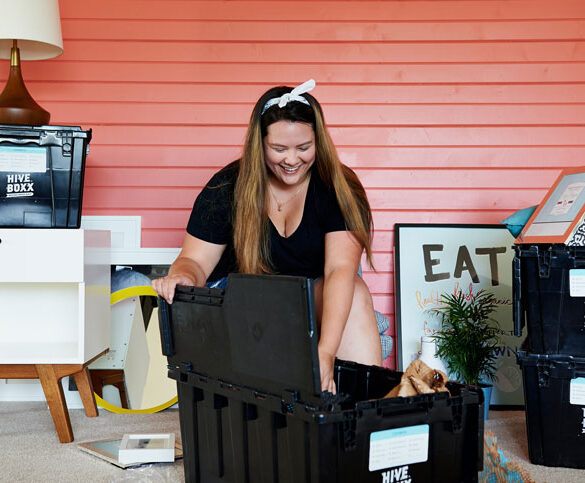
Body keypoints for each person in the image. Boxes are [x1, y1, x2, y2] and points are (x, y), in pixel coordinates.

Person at [152, 79, 382, 393]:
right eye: (278, 149)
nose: (291, 160)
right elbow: (194, 260)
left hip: (305, 302)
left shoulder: (339, 187)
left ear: (319, 141)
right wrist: (182, 277)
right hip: (243, 305)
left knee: (354, 292)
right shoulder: (227, 186)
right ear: (259, 144)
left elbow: (339, 270)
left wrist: (325, 354)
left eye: (304, 148)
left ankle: (361, 418)